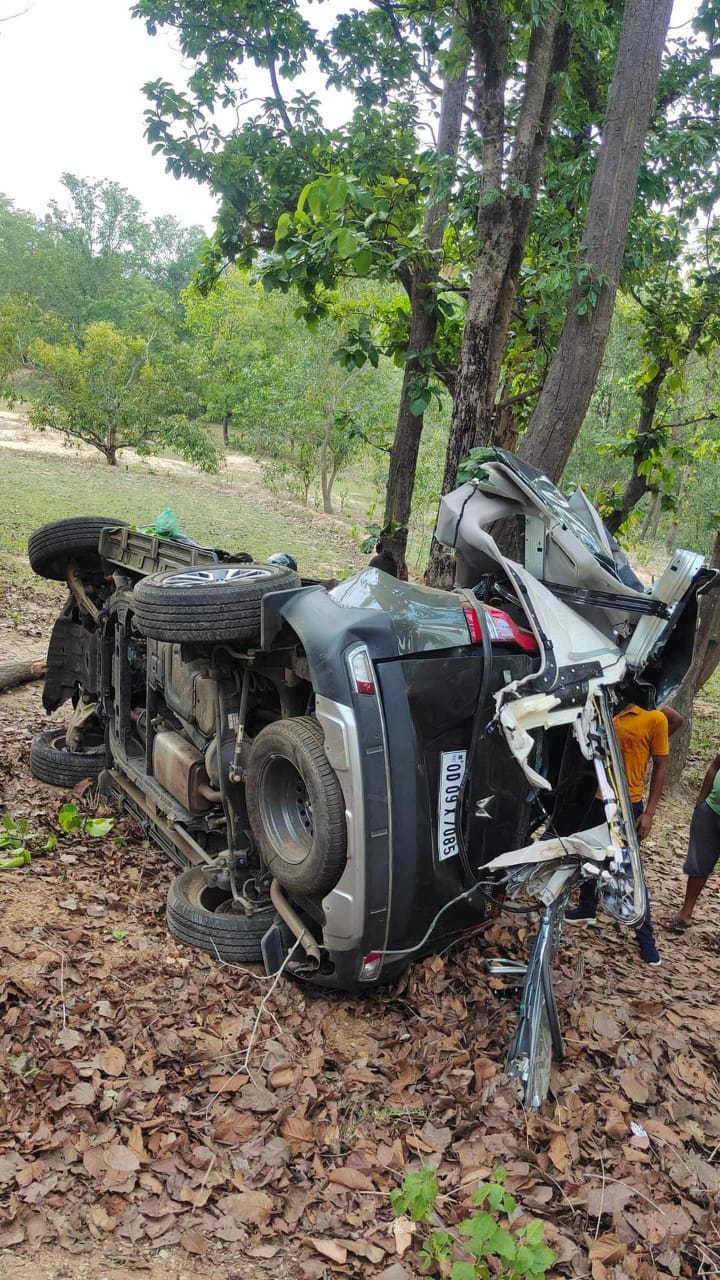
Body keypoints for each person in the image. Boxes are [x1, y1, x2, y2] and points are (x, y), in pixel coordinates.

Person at [565, 701, 684, 966]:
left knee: (629, 870)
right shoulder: (608, 704)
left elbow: (662, 765)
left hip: (628, 803)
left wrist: (649, 813)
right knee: (590, 852)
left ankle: (646, 939)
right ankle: (586, 907)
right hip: (599, 796)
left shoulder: (654, 715)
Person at [666, 751, 720, 931]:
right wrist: (701, 801)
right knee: (699, 863)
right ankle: (685, 914)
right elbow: (715, 765)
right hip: (711, 809)